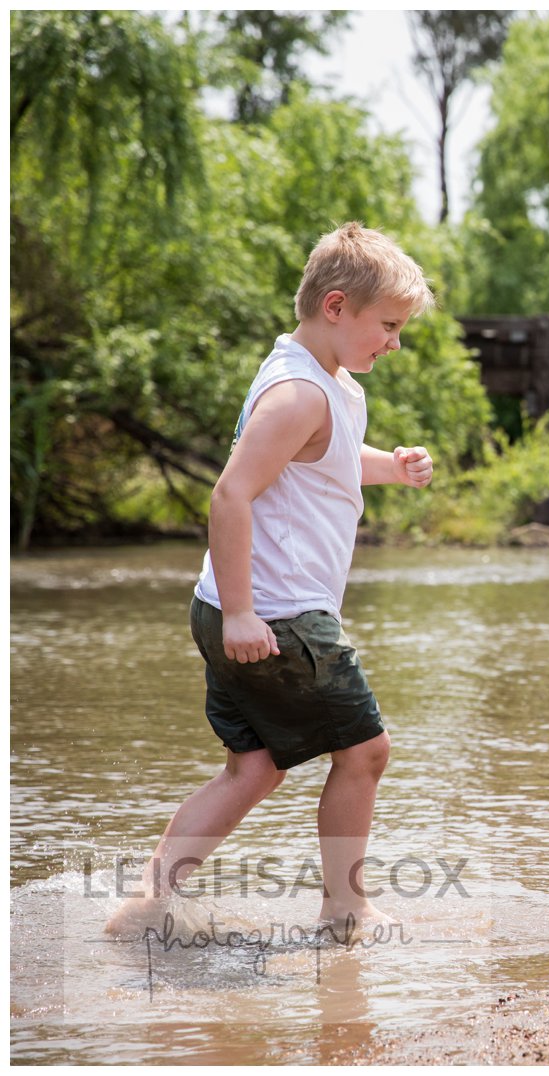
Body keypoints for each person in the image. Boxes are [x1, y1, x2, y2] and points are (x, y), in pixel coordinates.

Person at [106, 222, 437, 937]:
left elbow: (321, 460)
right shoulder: (299, 394)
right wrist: (243, 617)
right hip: (276, 615)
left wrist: (389, 467)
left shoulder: (326, 382)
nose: (395, 342)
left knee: (252, 771)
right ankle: (345, 910)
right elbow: (230, 495)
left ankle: (144, 907)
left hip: (236, 605)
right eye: (389, 325)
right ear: (338, 307)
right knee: (366, 751)